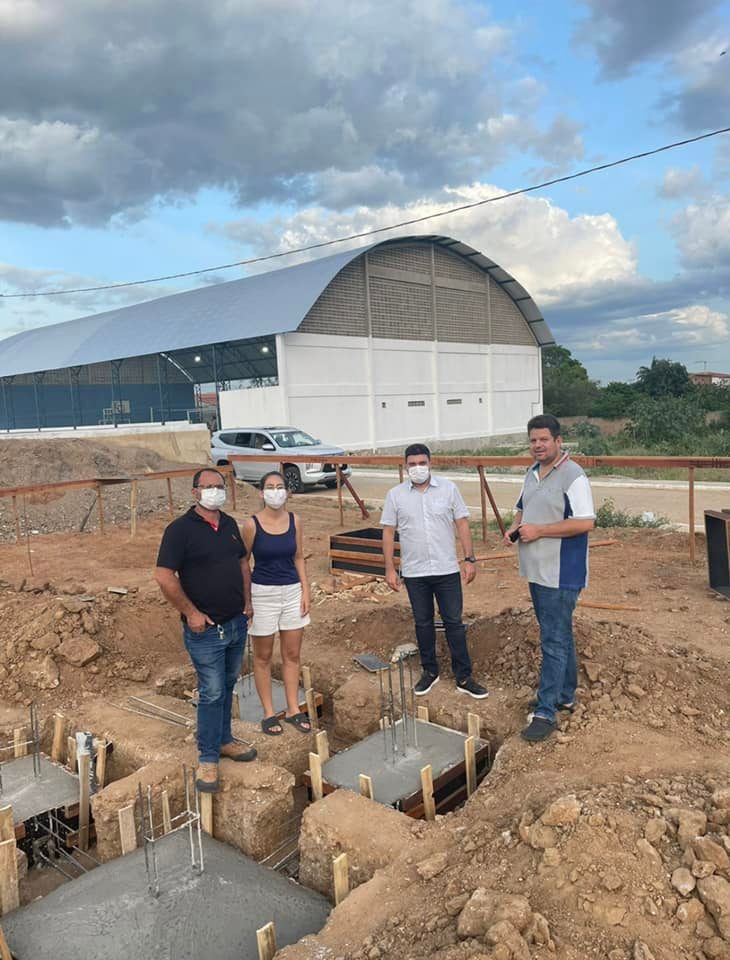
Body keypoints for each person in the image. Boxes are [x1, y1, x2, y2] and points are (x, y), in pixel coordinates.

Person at [155, 468, 257, 794]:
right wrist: (191, 612)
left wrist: (248, 603)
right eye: (207, 487)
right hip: (206, 631)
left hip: (236, 623)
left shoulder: (229, 525)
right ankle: (208, 757)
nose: (214, 491)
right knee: (211, 692)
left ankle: (224, 739)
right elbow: (164, 576)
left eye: (219, 486)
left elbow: (242, 564)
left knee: (227, 686)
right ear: (195, 493)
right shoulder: (179, 531)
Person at [503, 414, 595, 743]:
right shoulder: (532, 473)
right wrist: (516, 527)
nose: (538, 445)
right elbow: (521, 507)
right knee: (558, 635)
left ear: (558, 441)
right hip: (538, 570)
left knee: (553, 641)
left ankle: (545, 711)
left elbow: (585, 522)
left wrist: (539, 530)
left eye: (544, 439)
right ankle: (565, 694)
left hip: (561, 572)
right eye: (533, 440)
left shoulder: (573, 475)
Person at [382, 443, 488, 699]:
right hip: (415, 572)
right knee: (423, 622)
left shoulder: (449, 489)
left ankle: (464, 676)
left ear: (430, 463)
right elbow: (387, 531)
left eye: (422, 463)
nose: (417, 468)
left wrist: (469, 558)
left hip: (446, 570)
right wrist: (389, 568)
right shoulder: (395, 495)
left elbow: (462, 523)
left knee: (453, 621)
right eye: (412, 464)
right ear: (405, 466)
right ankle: (430, 671)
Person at [242, 471, 312, 736]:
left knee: (292, 655)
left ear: (287, 491)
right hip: (263, 594)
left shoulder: (295, 521)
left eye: (279, 486)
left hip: (292, 592)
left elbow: (298, 556)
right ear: (261, 493)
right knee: (263, 656)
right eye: (269, 487)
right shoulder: (251, 525)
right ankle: (269, 713)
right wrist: (247, 599)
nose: (275, 491)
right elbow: (243, 562)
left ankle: (294, 709)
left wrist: (305, 591)